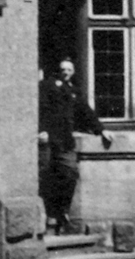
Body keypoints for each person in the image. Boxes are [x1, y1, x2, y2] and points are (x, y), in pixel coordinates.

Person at [40, 55, 108, 233]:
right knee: (45, 175)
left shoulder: (74, 91)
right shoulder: (47, 86)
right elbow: (40, 108)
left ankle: (61, 211)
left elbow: (86, 111)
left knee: (70, 173)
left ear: (73, 72)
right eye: (63, 69)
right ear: (58, 71)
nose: (65, 73)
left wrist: (101, 130)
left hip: (65, 140)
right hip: (47, 139)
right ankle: (48, 216)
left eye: (69, 70)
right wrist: (41, 130)